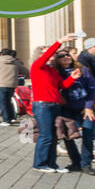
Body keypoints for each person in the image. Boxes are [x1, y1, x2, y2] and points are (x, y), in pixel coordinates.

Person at [29, 34, 83, 173]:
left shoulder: (52, 70)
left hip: (54, 104)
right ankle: (39, 164)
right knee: (45, 136)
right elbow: (46, 56)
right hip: (43, 105)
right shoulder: (37, 66)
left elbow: (62, 86)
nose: (51, 54)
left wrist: (72, 78)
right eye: (47, 52)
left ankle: (52, 163)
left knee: (54, 136)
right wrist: (60, 41)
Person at [59, 51, 95, 175]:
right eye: (61, 56)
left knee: (88, 134)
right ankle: (76, 162)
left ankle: (86, 164)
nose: (66, 57)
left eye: (67, 54)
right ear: (57, 60)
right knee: (68, 136)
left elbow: (92, 89)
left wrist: (89, 107)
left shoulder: (84, 70)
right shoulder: (57, 73)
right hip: (66, 108)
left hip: (84, 108)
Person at [0, 48, 29, 125]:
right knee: (8, 101)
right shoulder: (15, 61)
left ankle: (6, 120)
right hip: (12, 84)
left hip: (0, 84)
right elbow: (25, 71)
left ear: (2, 54)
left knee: (2, 102)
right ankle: (12, 117)